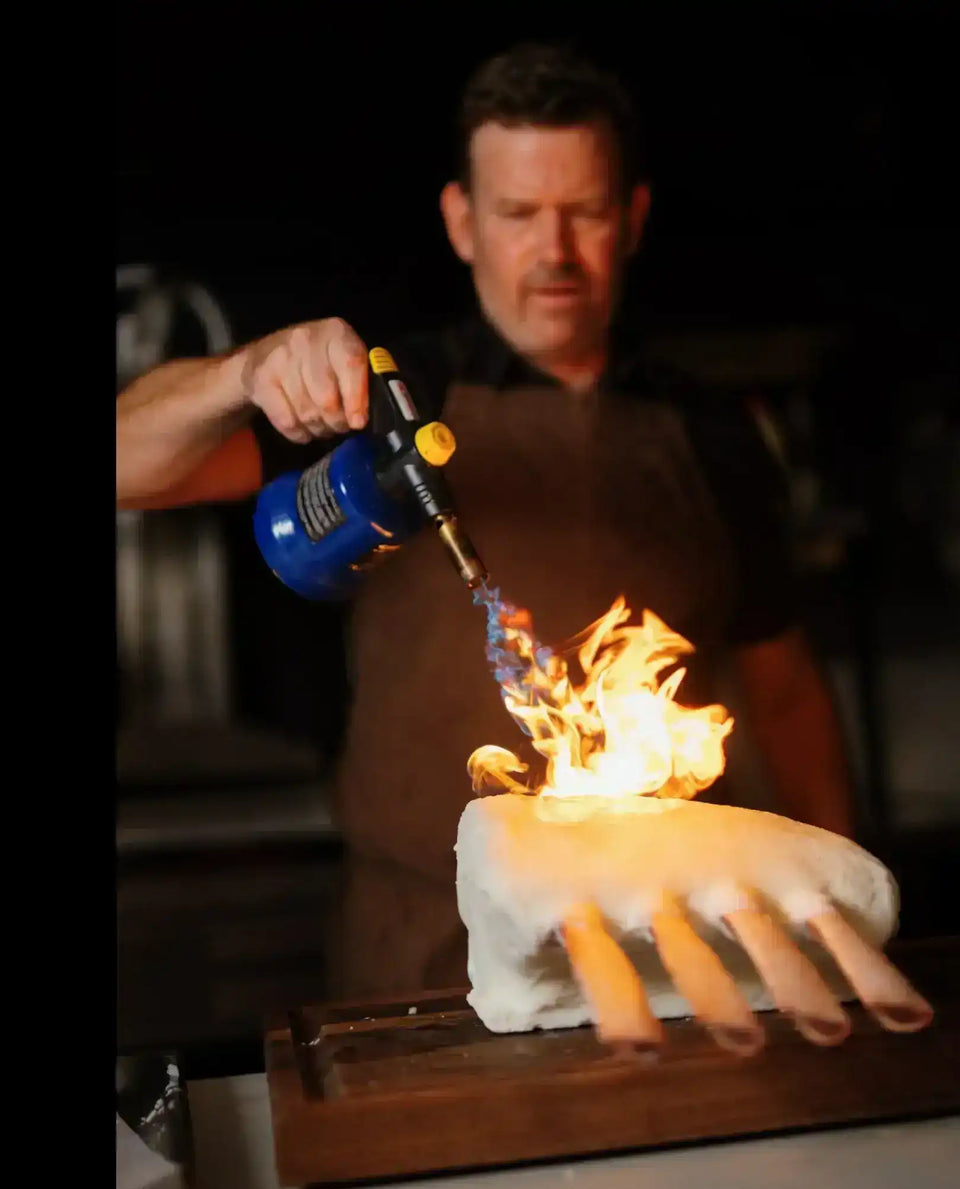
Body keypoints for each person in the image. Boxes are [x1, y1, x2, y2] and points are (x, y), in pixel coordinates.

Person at [116, 42, 856, 998]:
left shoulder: (716, 436)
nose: (553, 253)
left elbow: (787, 693)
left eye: (583, 212)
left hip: (670, 947)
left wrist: (841, 907)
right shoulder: (387, 400)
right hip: (422, 946)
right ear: (462, 222)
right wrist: (242, 373)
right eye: (516, 214)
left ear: (630, 218)